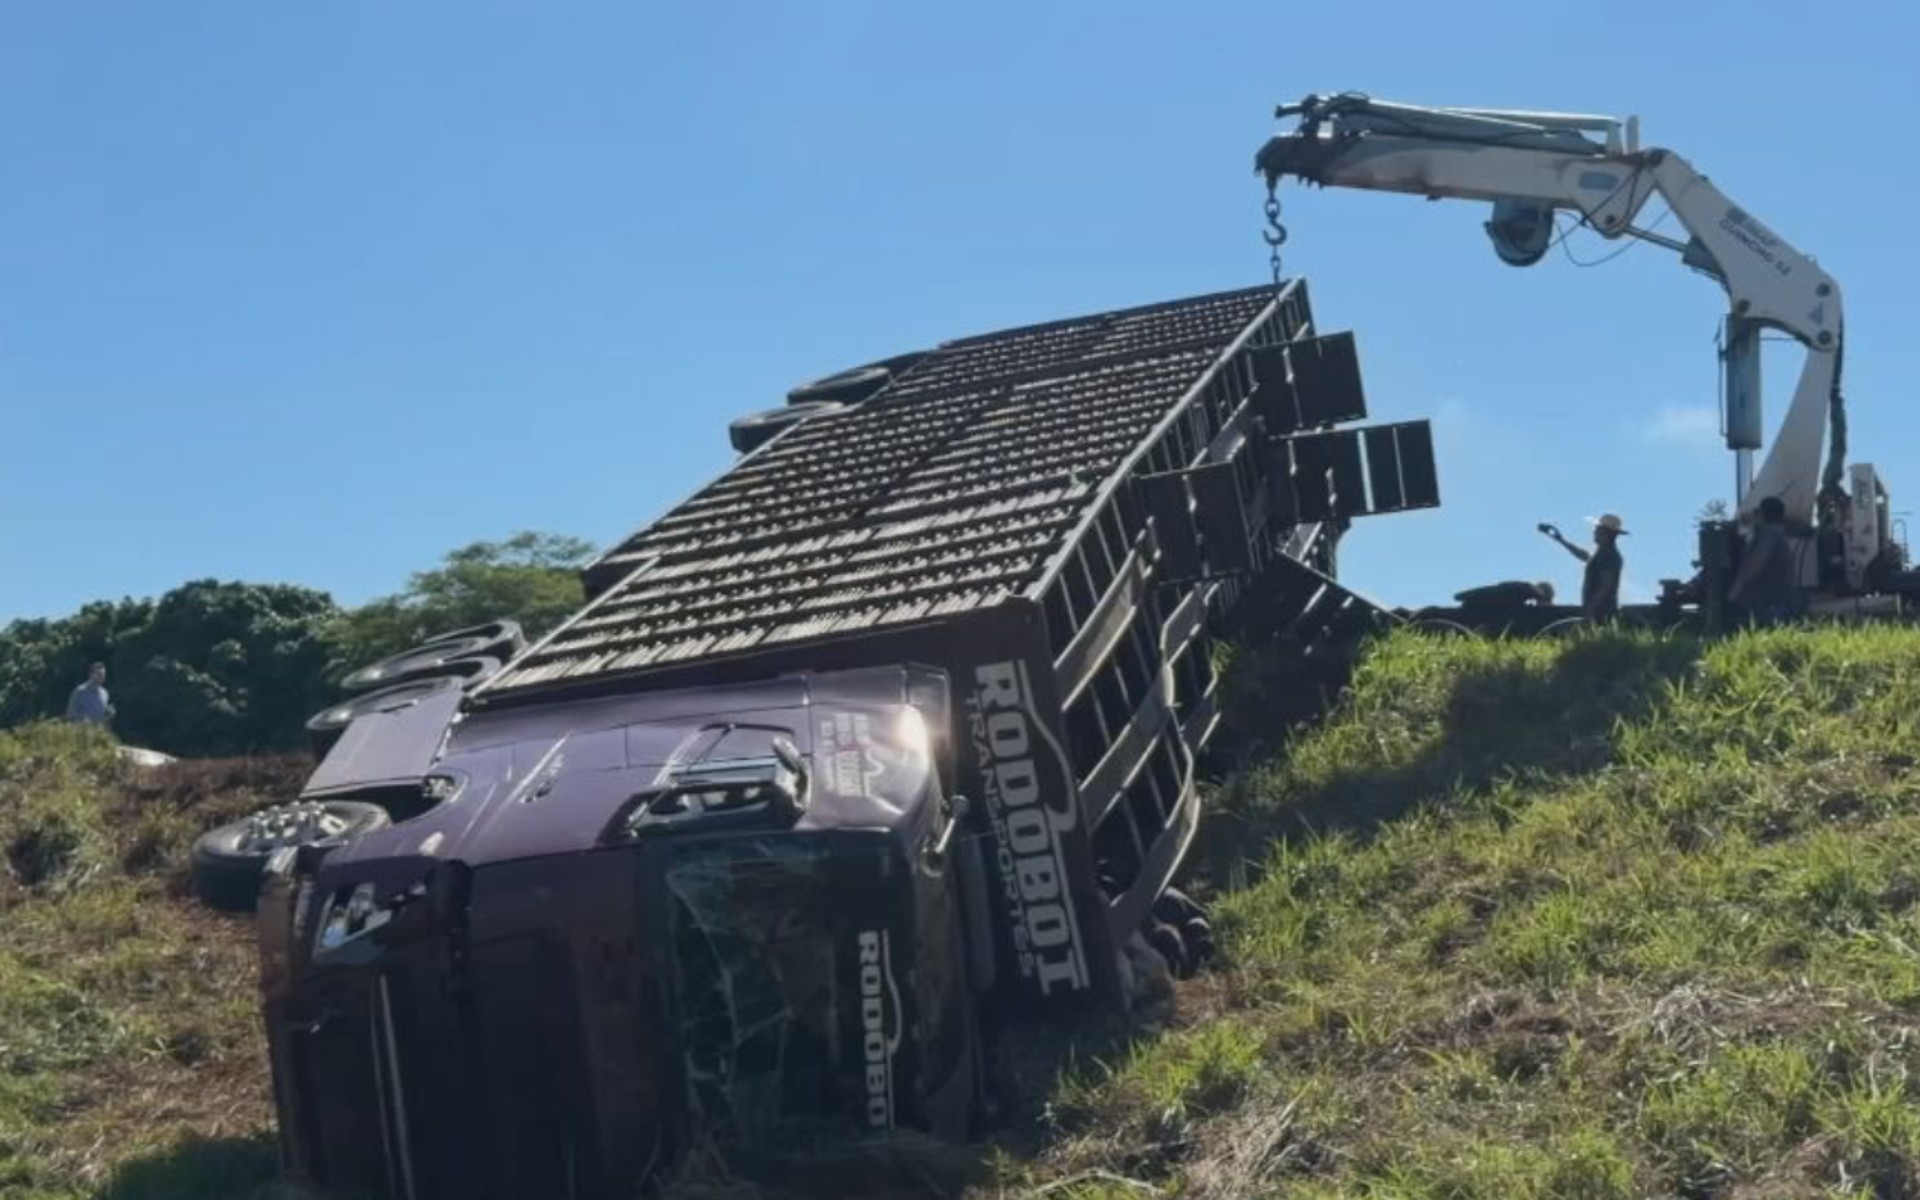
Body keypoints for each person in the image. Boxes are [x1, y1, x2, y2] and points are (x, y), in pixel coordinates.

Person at [1727, 495, 1802, 626]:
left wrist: (1735, 591)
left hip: (1768, 607)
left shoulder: (1769, 534)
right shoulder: (1780, 536)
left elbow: (1756, 563)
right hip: (1778, 603)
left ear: (1762, 515)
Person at [1538, 514, 1626, 621]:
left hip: (1602, 613)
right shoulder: (1602, 553)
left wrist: (1590, 608)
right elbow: (1583, 555)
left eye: (1597, 529)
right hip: (1598, 610)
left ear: (1605, 533)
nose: (1594, 532)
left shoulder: (1610, 556)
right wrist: (1561, 540)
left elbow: (1606, 586)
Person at [65, 662, 116, 729]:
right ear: (91, 675)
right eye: (99, 674)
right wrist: (83, 721)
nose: (102, 677)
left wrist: (109, 714)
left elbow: (104, 718)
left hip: (98, 734)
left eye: (103, 675)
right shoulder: (80, 692)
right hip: (81, 733)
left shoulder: (105, 693)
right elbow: (70, 715)